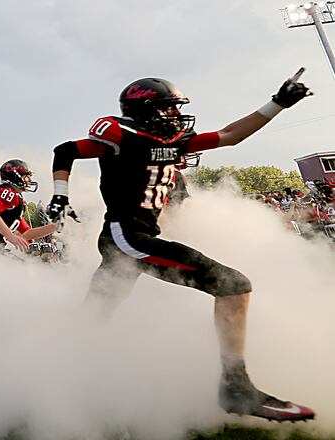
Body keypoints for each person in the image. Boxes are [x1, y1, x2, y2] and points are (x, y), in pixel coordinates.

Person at [47, 73, 315, 422]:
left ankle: (53, 370)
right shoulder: (119, 136)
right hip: (127, 238)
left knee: (94, 315)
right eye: (168, 108)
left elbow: (231, 135)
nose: (176, 115)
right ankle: (236, 388)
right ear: (145, 110)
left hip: (128, 240)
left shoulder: (172, 147)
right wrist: (59, 195)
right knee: (233, 285)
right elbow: (66, 150)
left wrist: (277, 103)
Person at [0, 159, 56, 254]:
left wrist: (55, 226)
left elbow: (26, 233)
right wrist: (10, 236)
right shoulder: (10, 192)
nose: (29, 180)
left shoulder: (16, 200)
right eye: (26, 176)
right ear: (16, 176)